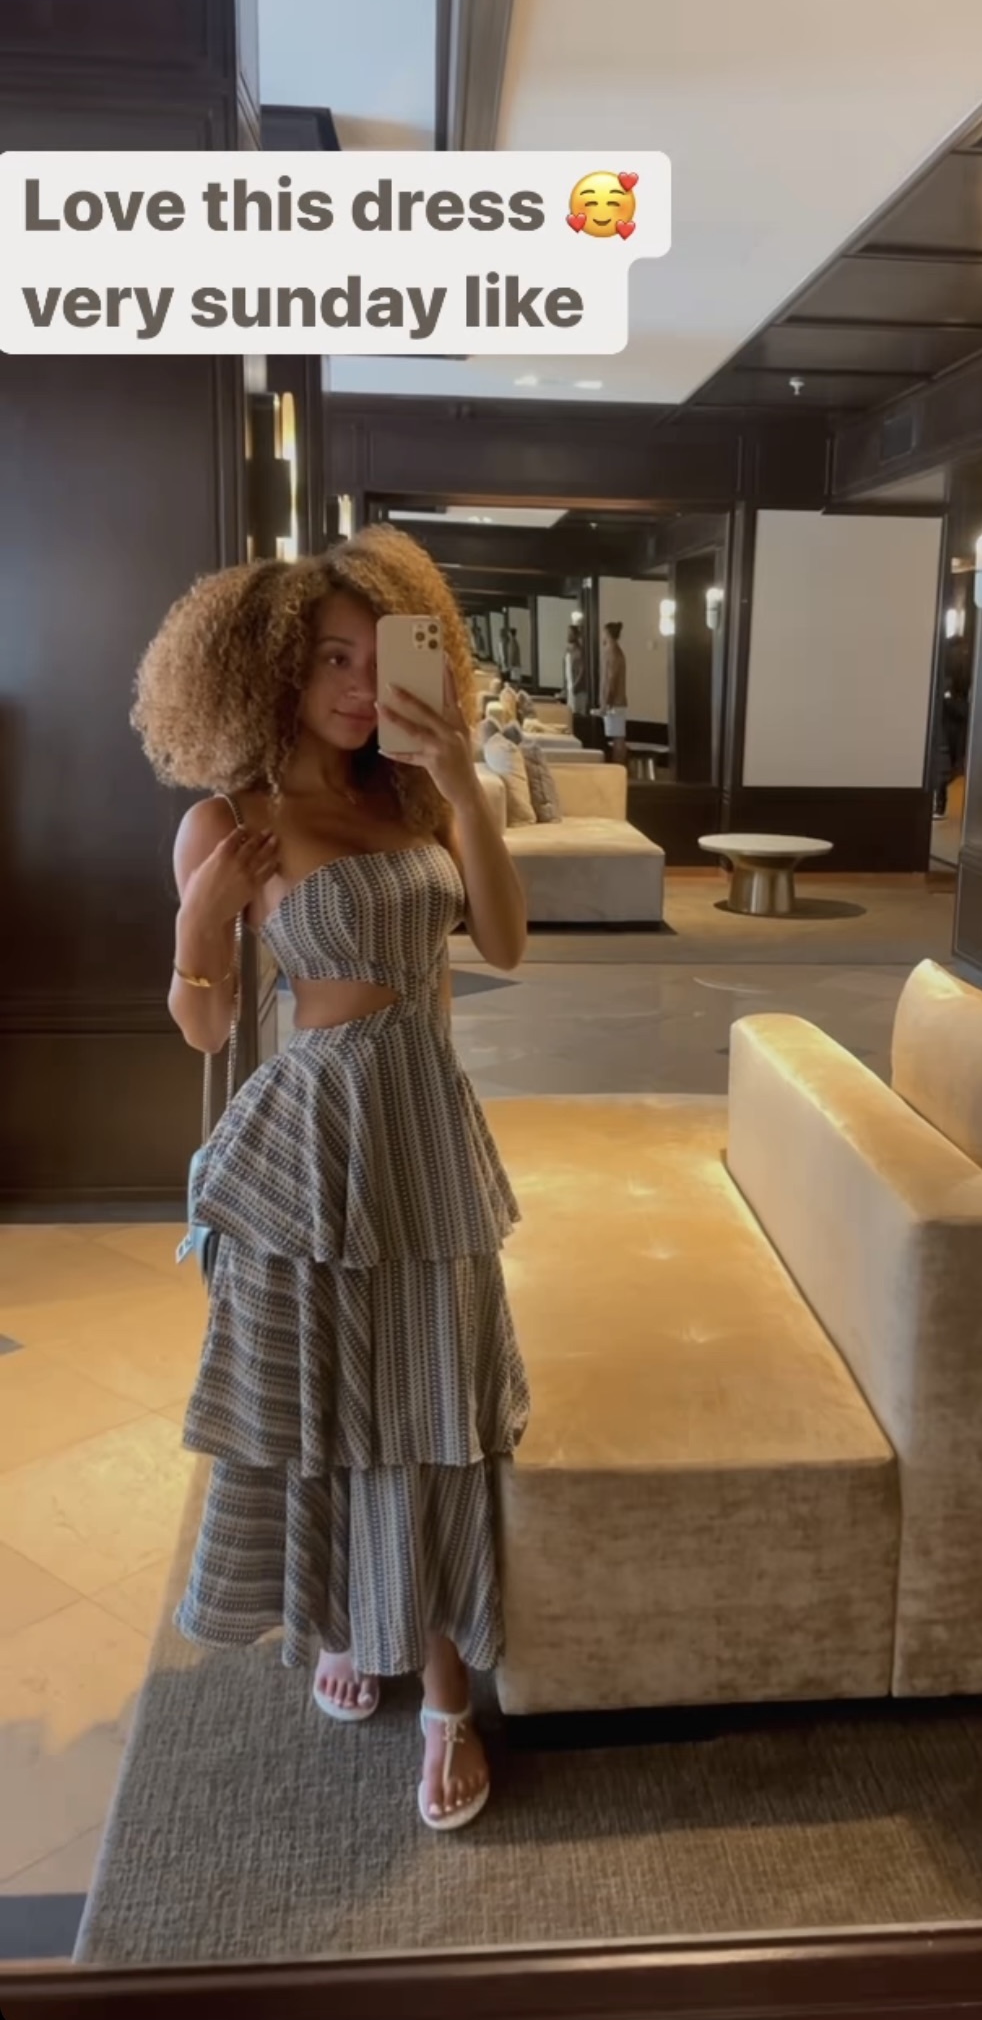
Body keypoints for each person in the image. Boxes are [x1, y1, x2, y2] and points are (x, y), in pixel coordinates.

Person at [131, 527, 530, 1835]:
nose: (360, 686)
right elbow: (205, 1024)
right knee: (332, 1412)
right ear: (270, 671)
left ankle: (446, 1699)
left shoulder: (414, 795)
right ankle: (347, 1623)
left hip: (425, 1136)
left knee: (433, 1409)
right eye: (329, 660)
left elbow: (505, 944)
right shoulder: (229, 820)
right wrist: (198, 921)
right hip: (310, 1147)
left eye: (380, 655)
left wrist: (462, 782)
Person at [600, 620, 628, 765]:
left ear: (608, 634)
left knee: (618, 738)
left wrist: (606, 702)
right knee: (617, 737)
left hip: (615, 703)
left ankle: (619, 766)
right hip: (616, 702)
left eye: (603, 633)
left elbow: (611, 679)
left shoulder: (613, 653)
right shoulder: (615, 652)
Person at [564, 627, 588, 718]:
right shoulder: (568, 651)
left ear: (575, 635)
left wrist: (575, 685)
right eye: (568, 632)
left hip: (578, 691)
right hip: (570, 689)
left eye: (570, 633)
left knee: (578, 716)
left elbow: (582, 670)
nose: (568, 635)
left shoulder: (579, 651)